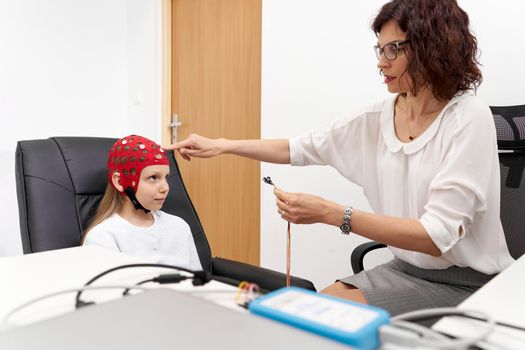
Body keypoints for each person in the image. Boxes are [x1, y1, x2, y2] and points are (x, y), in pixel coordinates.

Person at [165, 0, 514, 317]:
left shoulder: (468, 118)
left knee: (314, 319)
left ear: (432, 47)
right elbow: (299, 148)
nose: (381, 62)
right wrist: (223, 145)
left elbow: (436, 237)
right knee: (301, 313)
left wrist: (334, 215)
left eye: (393, 49)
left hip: (469, 285)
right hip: (403, 270)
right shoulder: (377, 118)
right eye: (379, 49)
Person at [82, 135, 202, 271]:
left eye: (166, 177)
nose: (165, 188)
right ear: (120, 182)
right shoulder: (103, 237)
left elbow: (198, 282)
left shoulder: (179, 226)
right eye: (153, 177)